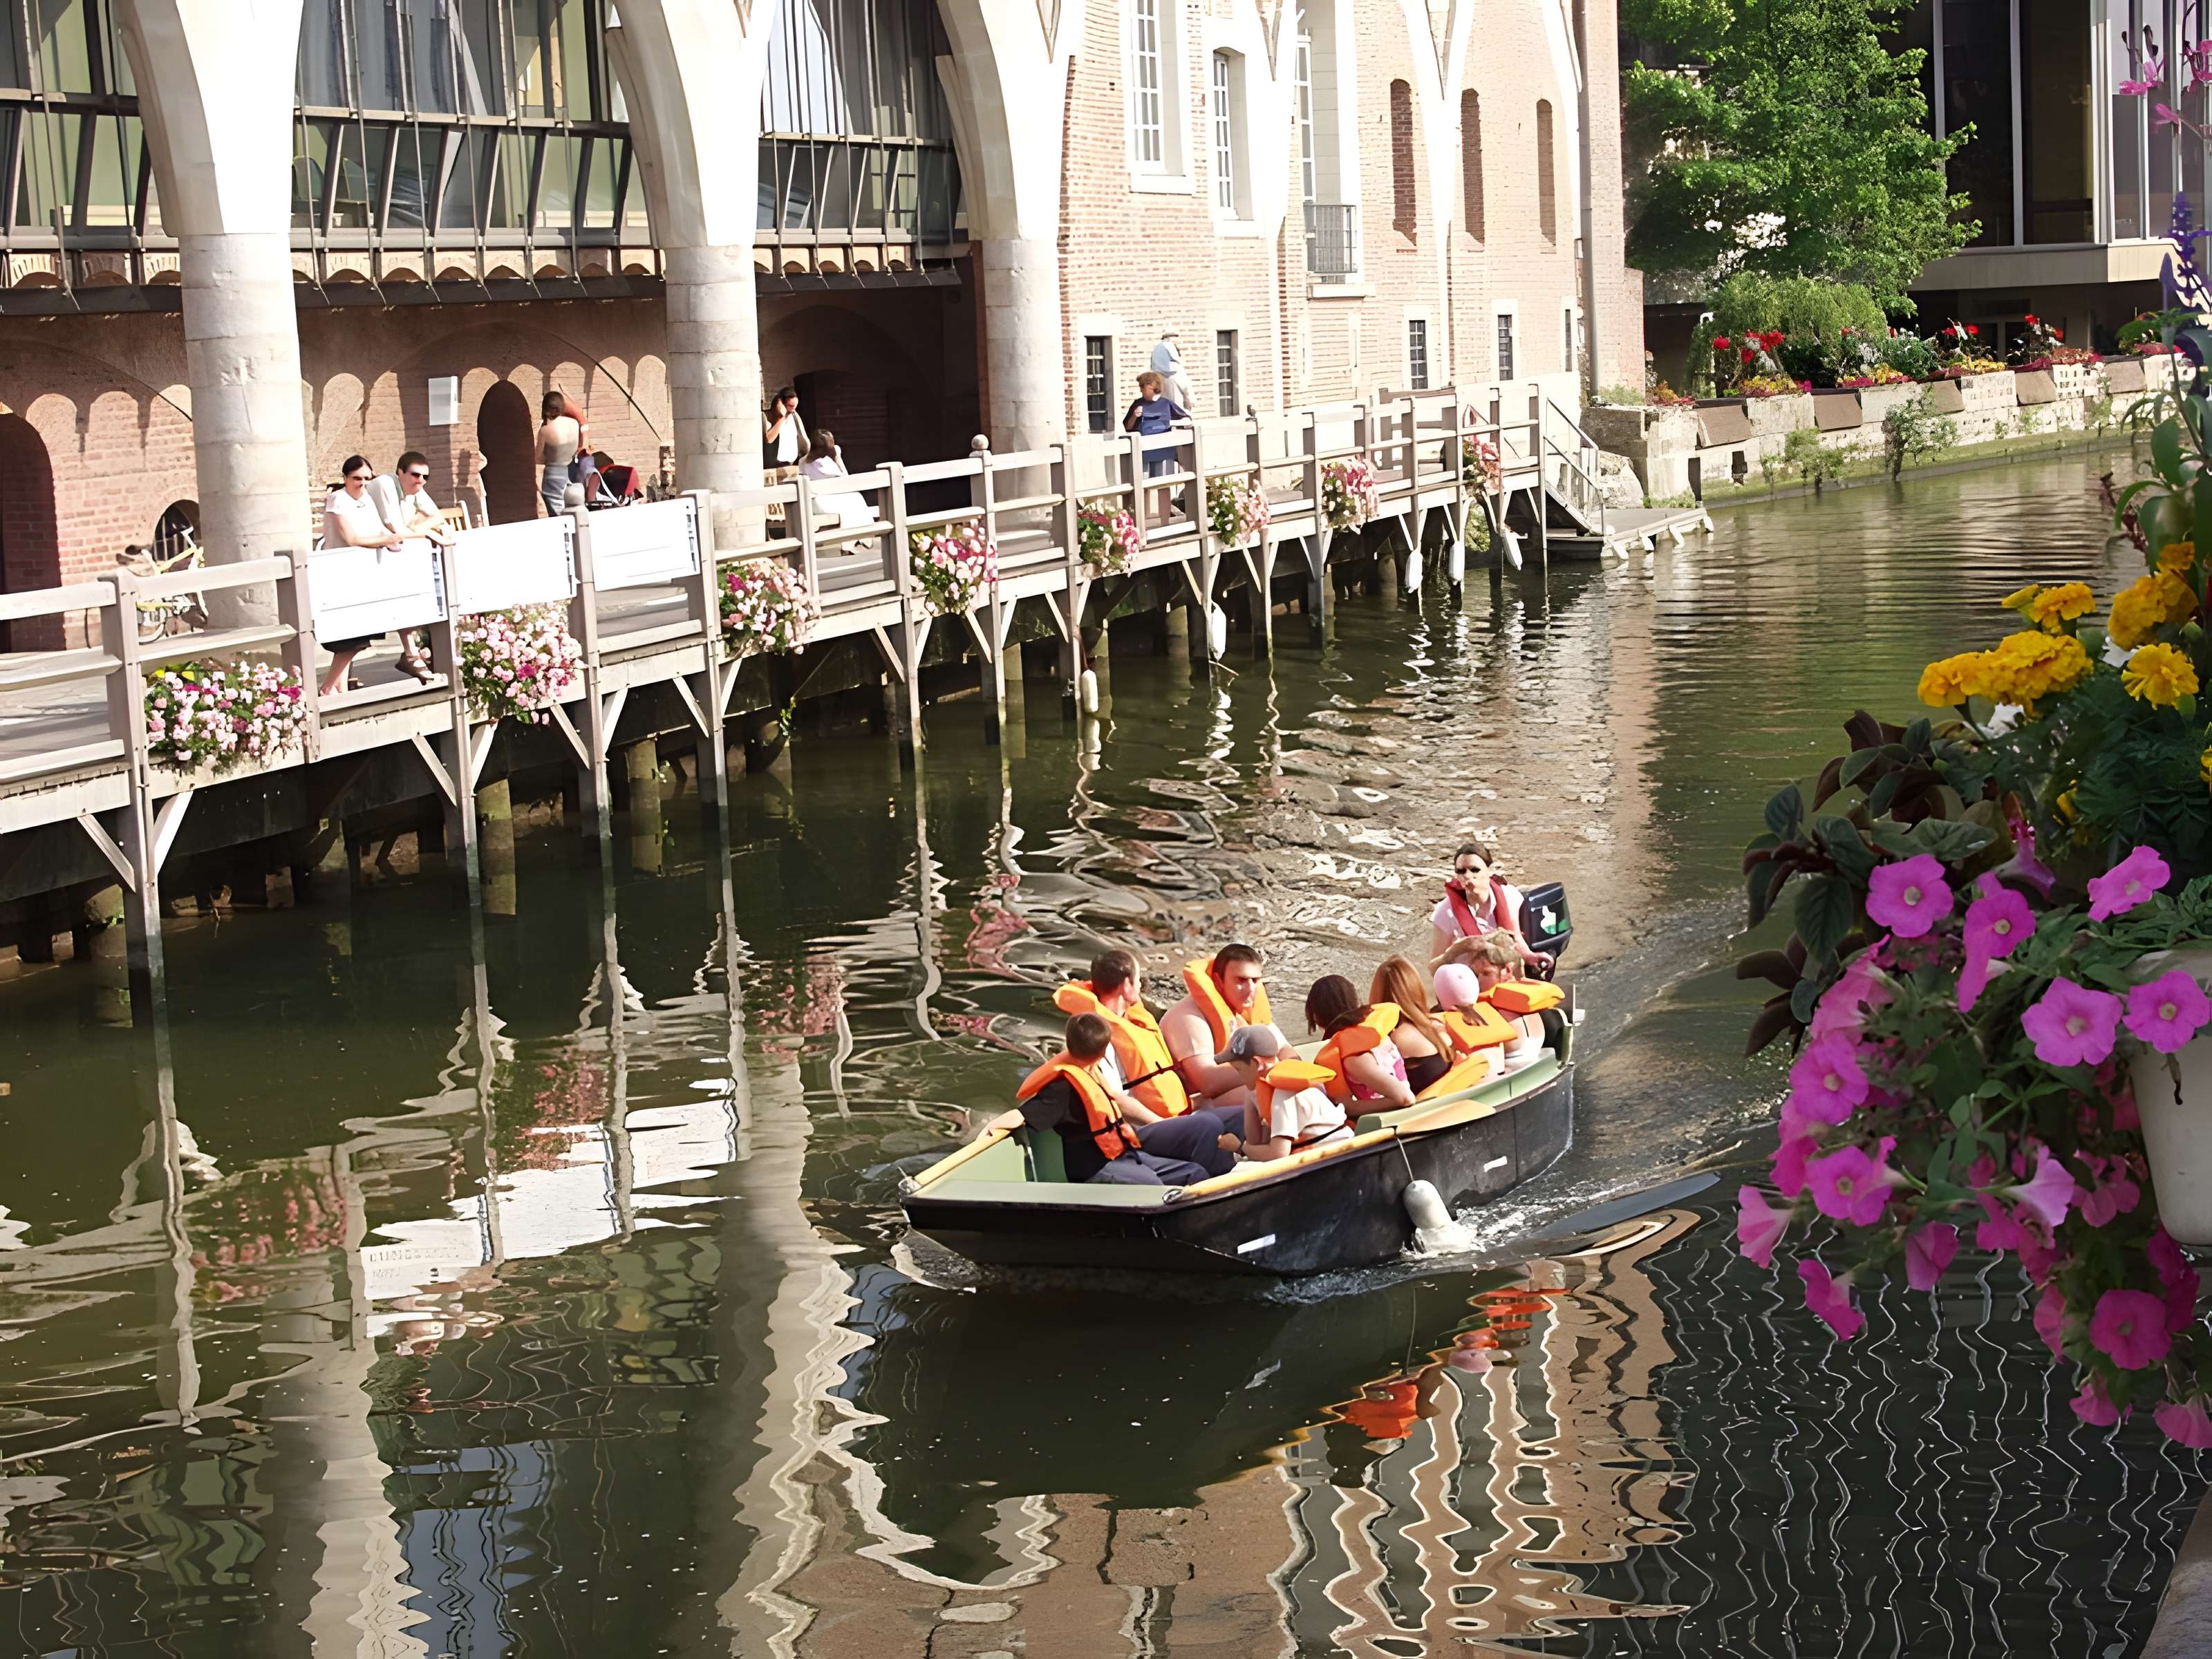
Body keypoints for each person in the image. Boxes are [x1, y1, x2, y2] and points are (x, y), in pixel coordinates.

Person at [1014, 1013, 1237, 1185]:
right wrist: (993, 1129)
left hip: (1124, 1154)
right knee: (1152, 1186)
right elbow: (1023, 1115)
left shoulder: (1095, 1074)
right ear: (1103, 1052)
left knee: (1194, 1173)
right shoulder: (1062, 1087)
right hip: (1094, 1169)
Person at [317, 453, 405, 695]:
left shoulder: (367, 498)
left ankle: (339, 687)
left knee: (358, 636)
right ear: (345, 478)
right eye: (357, 478)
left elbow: (378, 529)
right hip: (340, 575)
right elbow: (352, 539)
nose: (363, 483)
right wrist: (385, 539)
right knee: (352, 639)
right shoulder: (337, 499)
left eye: (367, 478)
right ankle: (327, 687)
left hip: (363, 575)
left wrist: (392, 539)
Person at [1160, 943, 1286, 1106]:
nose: (1250, 990)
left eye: (1255, 981)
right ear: (1219, 981)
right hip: (1200, 1109)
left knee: (1301, 1088)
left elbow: (1285, 1050)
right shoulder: (1187, 1017)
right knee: (1274, 1092)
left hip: (1236, 1094)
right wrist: (1269, 1068)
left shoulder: (1248, 1010)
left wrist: (1280, 1068)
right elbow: (1207, 1082)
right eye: (1241, 980)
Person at [368, 449, 455, 684]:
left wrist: (417, 529)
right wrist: (422, 529)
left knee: (433, 587)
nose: (421, 481)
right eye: (416, 475)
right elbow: (398, 532)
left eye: (425, 477)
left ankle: (420, 651)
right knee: (410, 589)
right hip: (372, 557)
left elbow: (437, 517)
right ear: (400, 472)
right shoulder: (386, 484)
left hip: (399, 554)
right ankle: (411, 653)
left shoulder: (415, 489)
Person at [1217, 1024, 1349, 1161]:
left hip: (1334, 1158)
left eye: (1239, 1069)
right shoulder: (1271, 1089)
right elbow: (1257, 1143)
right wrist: (1250, 1099)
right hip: (1328, 1156)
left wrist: (1238, 1147)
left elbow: (1278, 1153)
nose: (1240, 1076)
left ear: (1257, 1063)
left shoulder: (1282, 1094)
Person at [1430, 841, 1548, 972]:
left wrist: (1531, 957)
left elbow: (1516, 940)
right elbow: (1433, 968)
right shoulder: (1445, 912)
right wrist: (1458, 949)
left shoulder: (1510, 896)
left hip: (1506, 975)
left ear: (1489, 871)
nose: (1468, 876)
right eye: (1461, 871)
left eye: (1475, 870)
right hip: (1469, 982)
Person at [1304, 974, 1416, 1108]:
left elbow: (1405, 1098)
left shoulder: (1354, 1056)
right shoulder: (1376, 1034)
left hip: (1388, 1122)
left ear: (1317, 1017)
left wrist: (1347, 1108)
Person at [1456, 935, 1550, 1072]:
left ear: (1507, 971)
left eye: (1485, 973)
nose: (1477, 981)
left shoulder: (1496, 1010)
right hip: (1534, 1069)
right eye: (1475, 975)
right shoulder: (1524, 998)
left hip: (1510, 1077)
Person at [1368, 955, 1454, 1094]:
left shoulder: (1391, 1040)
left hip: (1421, 1109)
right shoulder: (1439, 1027)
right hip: (1447, 1100)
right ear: (1416, 989)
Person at [1122, 369, 1190, 524]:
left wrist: (1175, 426)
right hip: (1144, 453)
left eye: (1143, 387)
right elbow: (1128, 427)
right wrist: (1134, 416)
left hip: (1164, 453)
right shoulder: (1138, 404)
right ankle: (1142, 523)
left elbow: (1186, 419)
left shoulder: (1166, 404)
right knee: (1142, 487)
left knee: (1163, 486)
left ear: (1153, 386)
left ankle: (1165, 522)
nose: (1141, 390)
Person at [798, 428, 879, 528]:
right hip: (820, 500)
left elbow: (846, 481)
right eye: (830, 447)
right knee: (854, 499)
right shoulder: (813, 462)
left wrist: (836, 458)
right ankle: (851, 535)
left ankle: (858, 534)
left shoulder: (819, 459)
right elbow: (845, 479)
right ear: (820, 449)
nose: (832, 449)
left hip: (829, 496)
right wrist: (835, 459)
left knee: (855, 498)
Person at [538, 391, 583, 519]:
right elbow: (578, 446)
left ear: (546, 409)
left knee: (558, 516)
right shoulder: (574, 424)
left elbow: (538, 458)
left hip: (554, 476)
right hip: (572, 471)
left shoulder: (546, 430)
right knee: (574, 511)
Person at [763, 387, 808, 483]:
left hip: (791, 466)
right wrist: (782, 419)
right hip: (772, 469)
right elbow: (769, 439)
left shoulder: (794, 417)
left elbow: (803, 438)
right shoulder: (767, 421)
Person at [1151, 332, 1199, 414]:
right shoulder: (1176, 369)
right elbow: (1185, 387)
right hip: (1179, 410)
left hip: (1163, 413)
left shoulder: (1155, 373)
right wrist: (1190, 400)